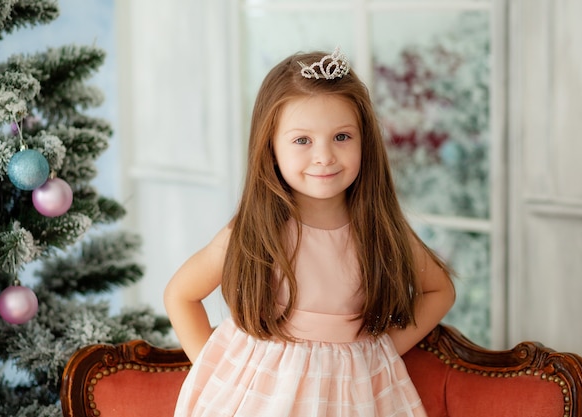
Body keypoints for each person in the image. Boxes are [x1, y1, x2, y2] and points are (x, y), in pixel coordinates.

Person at [164, 47, 456, 417]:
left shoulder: (378, 231)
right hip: (261, 402)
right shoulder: (254, 233)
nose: (324, 156)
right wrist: (215, 366)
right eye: (302, 140)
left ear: (365, 140)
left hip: (354, 400)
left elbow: (440, 289)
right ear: (270, 146)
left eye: (342, 137)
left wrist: (380, 353)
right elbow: (181, 294)